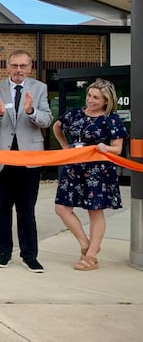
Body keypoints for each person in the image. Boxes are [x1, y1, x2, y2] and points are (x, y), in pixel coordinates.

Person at [0, 49, 52, 273]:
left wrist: (31, 111)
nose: (18, 70)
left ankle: (30, 255)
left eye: (23, 66)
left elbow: (47, 119)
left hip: (29, 159)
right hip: (2, 158)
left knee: (26, 209)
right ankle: (3, 253)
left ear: (30, 67)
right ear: (7, 66)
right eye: (14, 65)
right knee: (2, 207)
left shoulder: (40, 88)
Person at [52, 78, 127, 271]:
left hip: (97, 170)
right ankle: (86, 244)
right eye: (89, 95)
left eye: (96, 98)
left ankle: (91, 256)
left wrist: (106, 148)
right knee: (61, 208)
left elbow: (118, 149)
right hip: (73, 167)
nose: (91, 100)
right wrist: (65, 147)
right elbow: (57, 127)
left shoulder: (111, 119)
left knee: (94, 211)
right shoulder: (75, 113)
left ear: (106, 101)